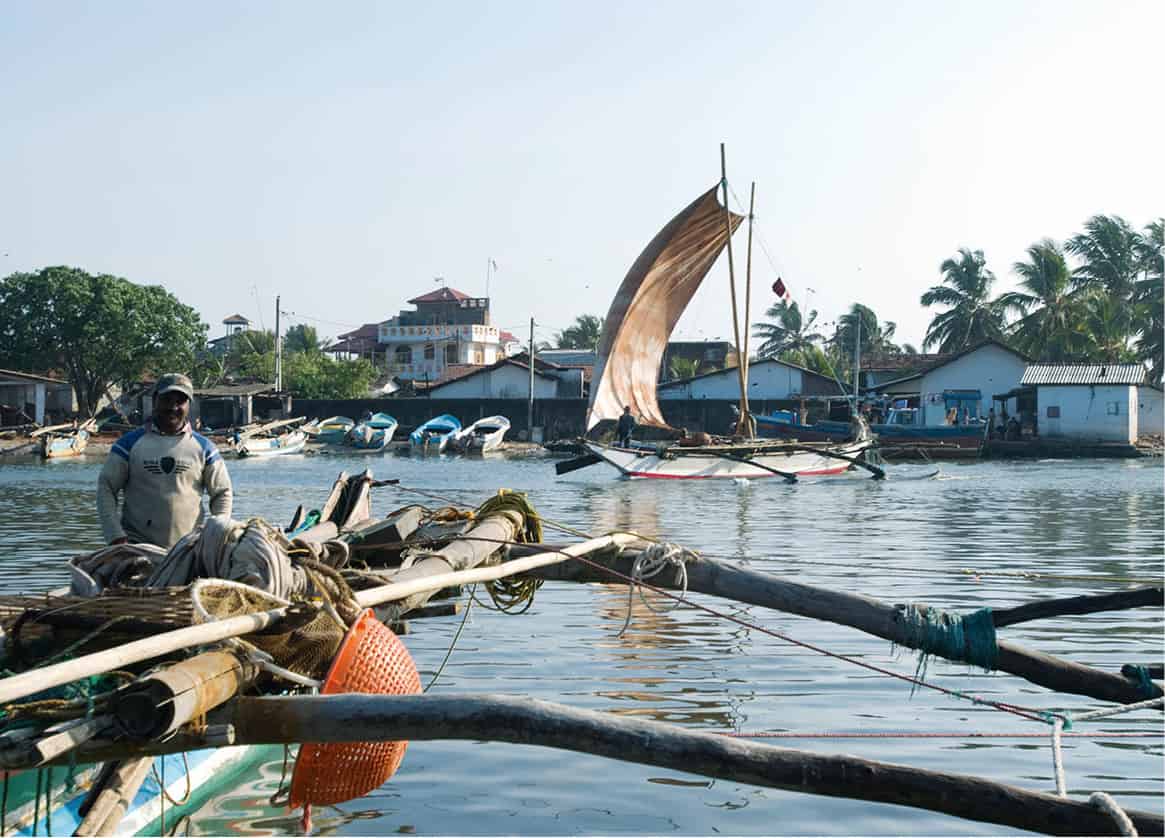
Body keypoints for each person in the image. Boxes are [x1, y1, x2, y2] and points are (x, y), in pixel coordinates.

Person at [97, 373, 233, 550]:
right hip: (137, 550)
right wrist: (115, 535)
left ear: (188, 405)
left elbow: (222, 493)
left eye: (180, 401)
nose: (173, 407)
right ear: (155, 400)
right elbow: (106, 487)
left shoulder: (205, 448)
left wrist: (217, 532)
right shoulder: (128, 445)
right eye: (167, 400)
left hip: (189, 551)